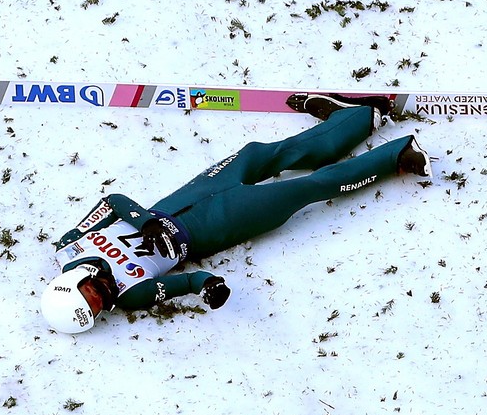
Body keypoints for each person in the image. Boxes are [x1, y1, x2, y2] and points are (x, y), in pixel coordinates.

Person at [40, 94, 433, 333]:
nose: (102, 296)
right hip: (213, 225)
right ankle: (395, 157)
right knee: (301, 190)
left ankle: (354, 117)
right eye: (95, 309)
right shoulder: (130, 295)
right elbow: (188, 283)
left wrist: (146, 221)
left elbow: (112, 202)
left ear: (73, 282)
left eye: (90, 295)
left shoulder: (69, 248)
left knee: (262, 155)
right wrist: (210, 286)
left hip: (185, 197)